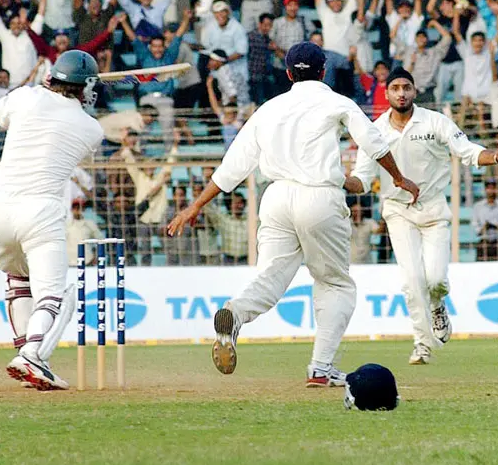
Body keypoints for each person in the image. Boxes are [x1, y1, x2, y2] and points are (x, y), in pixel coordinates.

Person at [166, 42, 421, 387]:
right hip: (319, 197)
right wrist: (399, 177)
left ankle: (235, 313)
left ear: (288, 74)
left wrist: (195, 205)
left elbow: (233, 166)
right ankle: (320, 368)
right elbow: (374, 143)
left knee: (270, 277)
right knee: (335, 284)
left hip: (276, 198)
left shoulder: (269, 109)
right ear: (323, 72)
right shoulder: (337, 102)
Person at [346, 67, 498, 365]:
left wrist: (495, 157)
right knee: (412, 281)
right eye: (395, 88)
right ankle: (422, 344)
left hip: (434, 209)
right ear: (386, 93)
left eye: (406, 87)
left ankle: (437, 305)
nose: (401, 93)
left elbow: (467, 151)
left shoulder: (435, 121)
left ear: (415, 91)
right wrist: (340, 180)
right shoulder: (375, 131)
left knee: (435, 280)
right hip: (397, 211)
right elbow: (362, 179)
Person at [0, 50, 105, 391]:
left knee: (18, 280)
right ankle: (32, 354)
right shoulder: (92, 129)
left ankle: (28, 356)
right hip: (40, 212)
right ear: (86, 88)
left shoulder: (26, 97)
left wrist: (36, 90)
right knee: (52, 295)